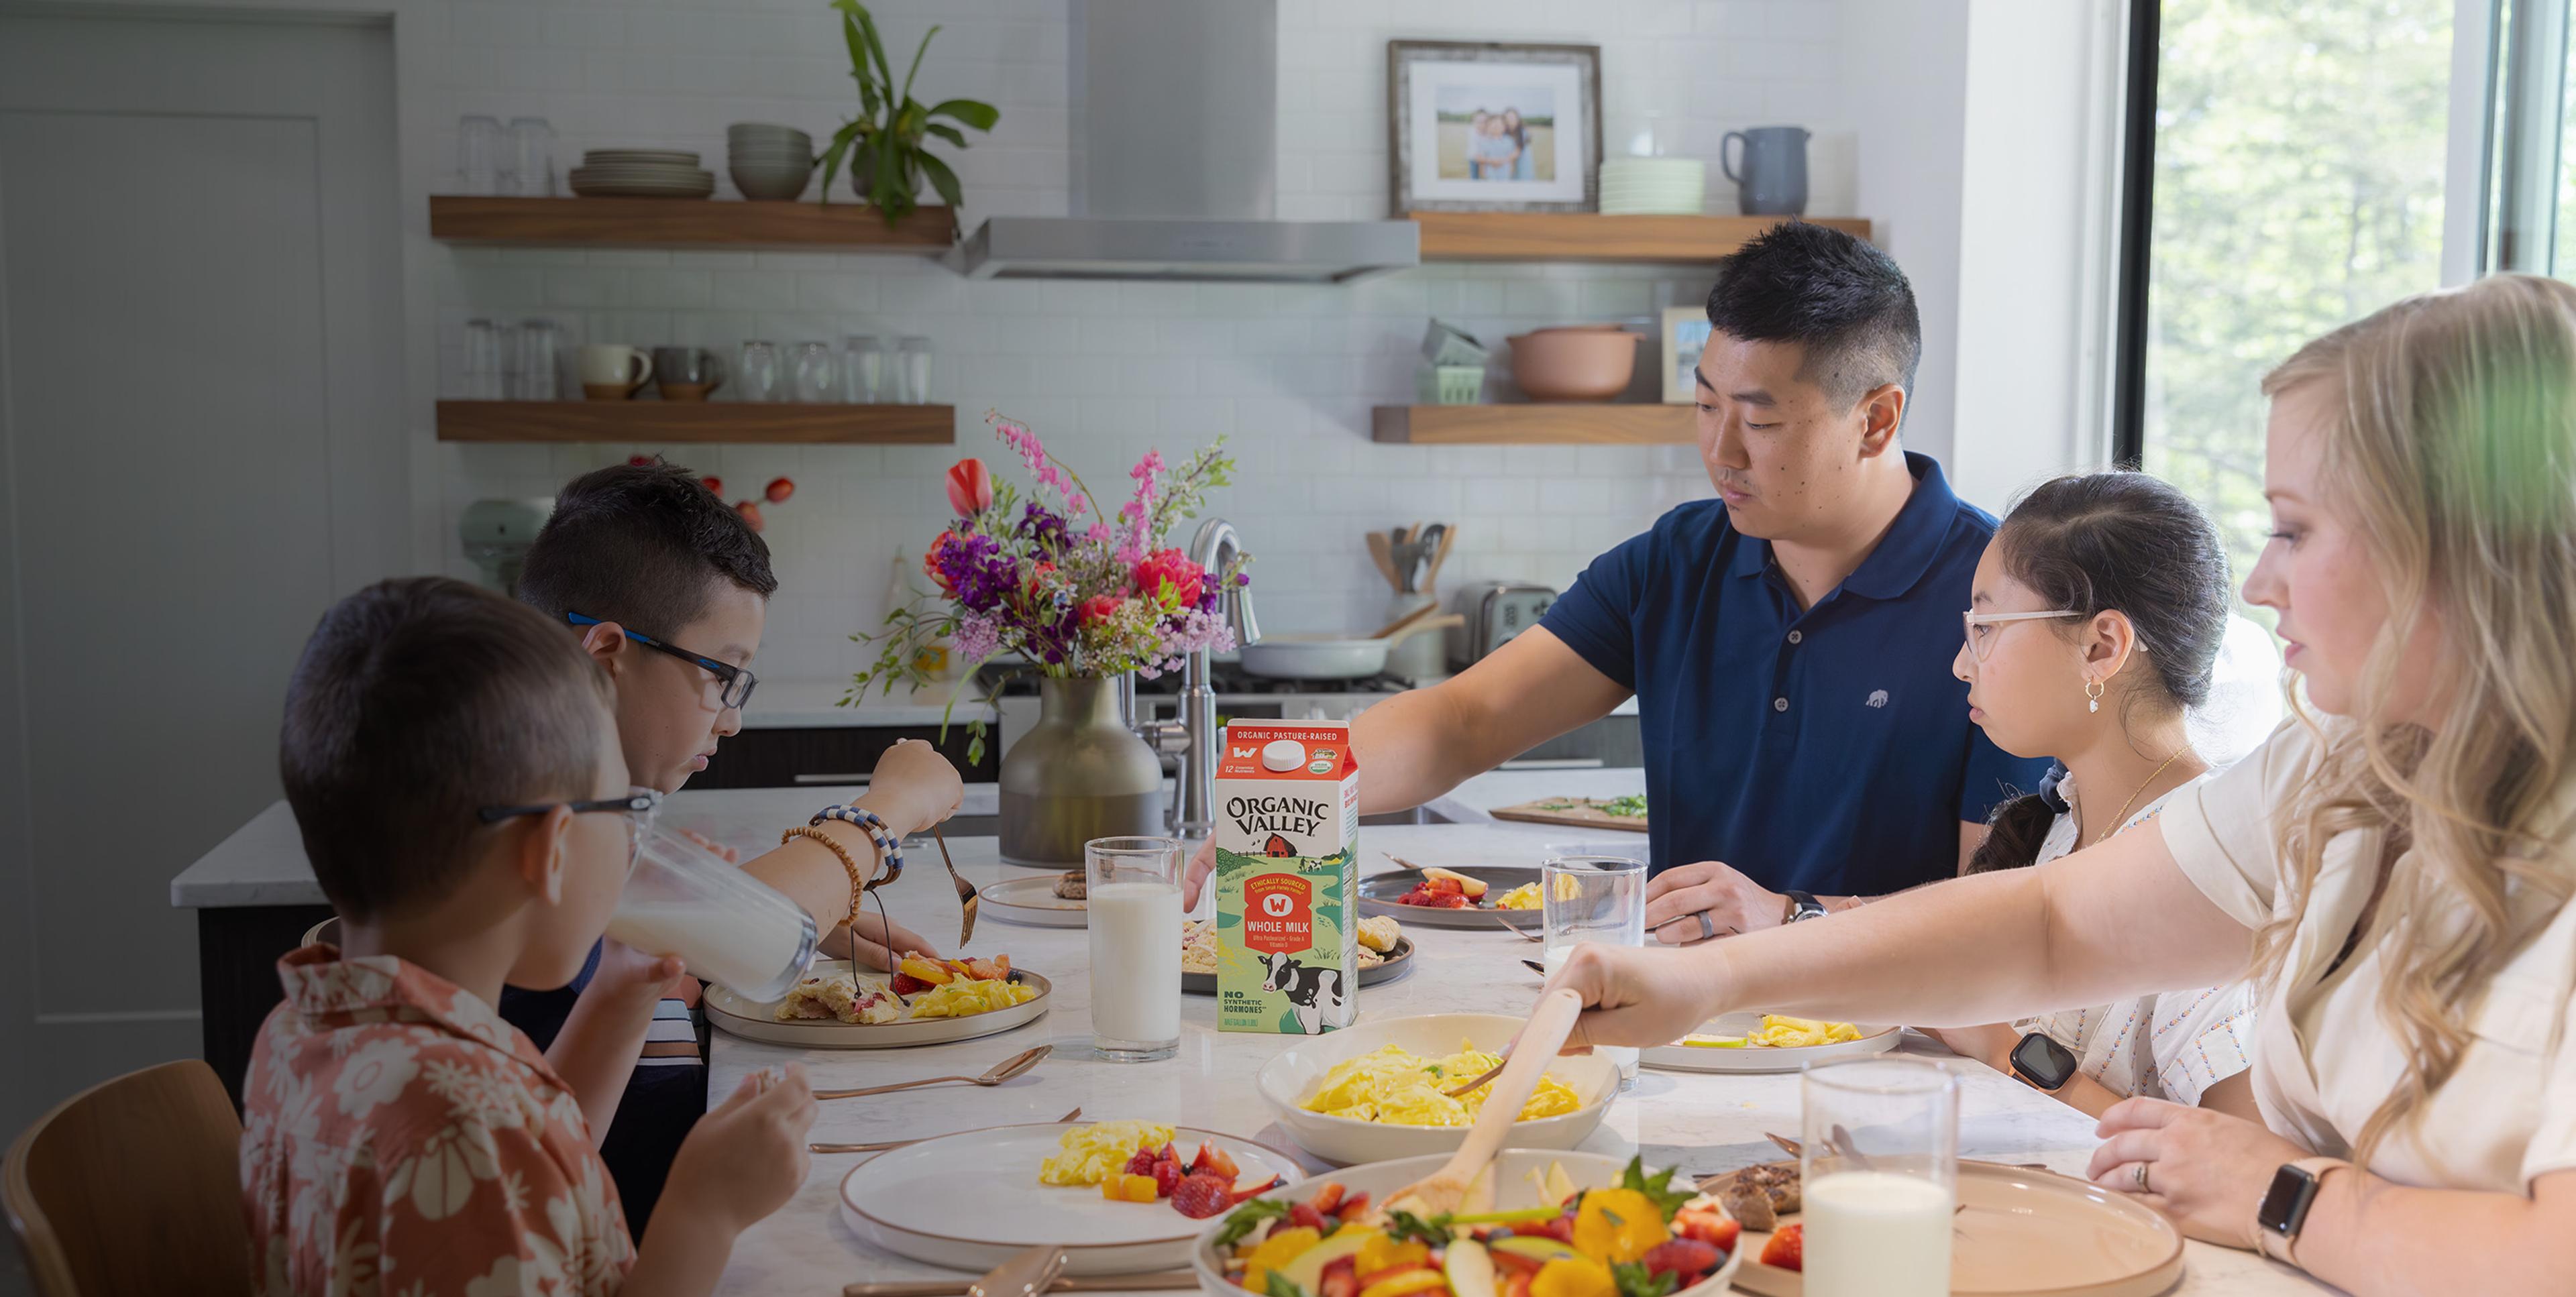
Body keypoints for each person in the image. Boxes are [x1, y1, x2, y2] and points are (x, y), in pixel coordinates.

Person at [1542, 273, 2576, 1294]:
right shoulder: (2348, 766)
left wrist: (2290, 1196)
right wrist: (1708, 981)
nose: (2265, 582)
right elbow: (2051, 926)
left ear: (2464, 547)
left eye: (2297, 530)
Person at [1184, 221, 2047, 918]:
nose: (1719, 451)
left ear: (1876, 419)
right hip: (1679, 1027)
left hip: (1887, 1061)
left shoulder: (2001, 601)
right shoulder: (1674, 563)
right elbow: (1464, 720)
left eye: (1761, 421)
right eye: (1705, 404)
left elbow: (1996, 912)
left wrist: (1795, 920)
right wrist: (1274, 798)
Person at [247, 576, 815, 1296]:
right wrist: (703, 1211)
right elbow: (497, 1147)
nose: (637, 838)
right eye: (628, 808)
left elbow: (531, 1156)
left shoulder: (308, 1033)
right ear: (549, 849)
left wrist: (620, 988)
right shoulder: (468, 1126)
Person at [507, 459, 962, 1225]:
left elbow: (643, 964)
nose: (732, 718)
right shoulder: (540, 842)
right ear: (608, 654)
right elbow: (758, 941)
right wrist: (889, 809)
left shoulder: (586, 820)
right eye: (723, 675)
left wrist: (803, 908)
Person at [1919, 472, 2257, 1121]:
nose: (1964, 663)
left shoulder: (2210, 866)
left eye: (1986, 626)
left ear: (2102, 646)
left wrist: (2005, 1049)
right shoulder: (2063, 826)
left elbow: (2243, 1162)